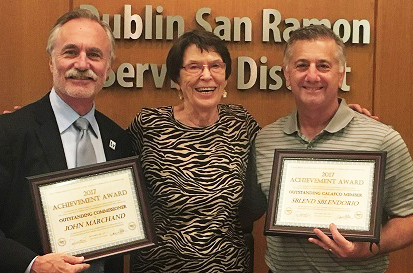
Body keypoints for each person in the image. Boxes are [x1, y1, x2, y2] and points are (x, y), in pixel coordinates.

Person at [254, 24, 413, 273]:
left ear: (341, 75)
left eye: (324, 66)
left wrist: (368, 248)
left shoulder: (382, 139)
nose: (312, 75)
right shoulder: (265, 140)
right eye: (302, 65)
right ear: (286, 75)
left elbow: (410, 218)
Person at [0, 9, 134, 273]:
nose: (82, 64)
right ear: (51, 61)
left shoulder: (119, 139)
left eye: (94, 55)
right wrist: (31, 264)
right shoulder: (6, 133)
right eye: (70, 52)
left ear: (108, 67)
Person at [127, 29, 267, 272]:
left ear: (226, 76)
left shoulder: (240, 123)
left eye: (216, 66)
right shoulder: (149, 124)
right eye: (193, 67)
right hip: (159, 267)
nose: (206, 76)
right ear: (176, 78)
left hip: (228, 266)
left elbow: (284, 149)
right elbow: (112, 175)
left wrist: (343, 116)